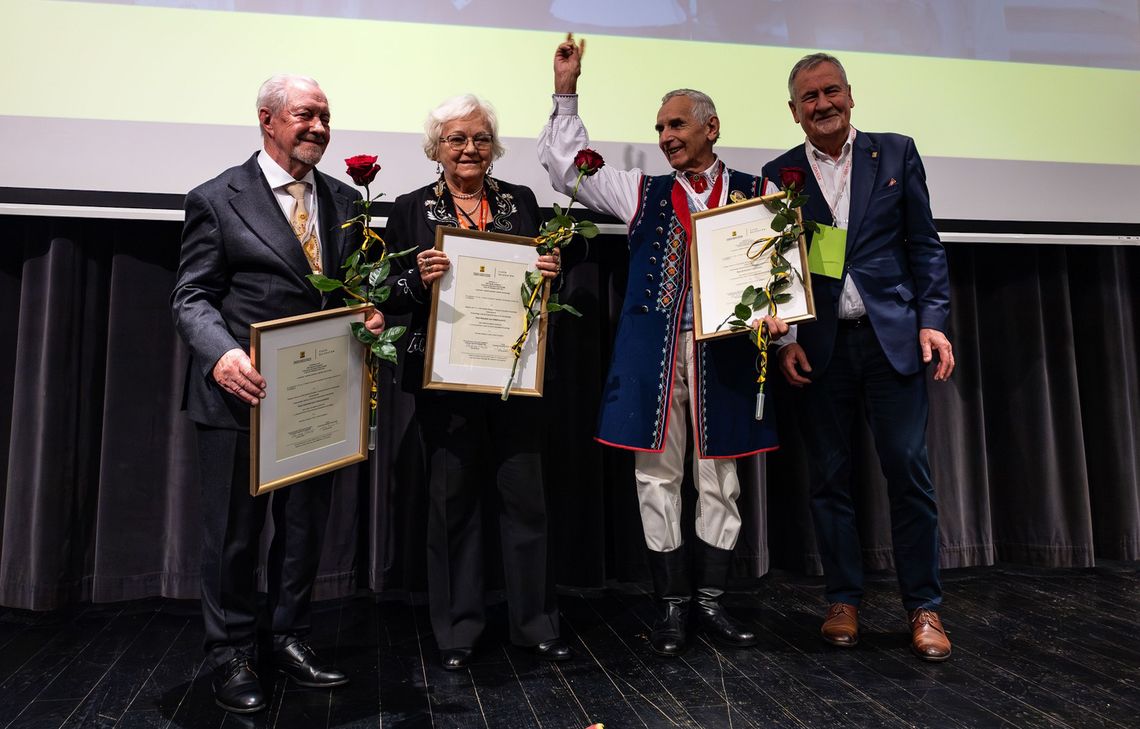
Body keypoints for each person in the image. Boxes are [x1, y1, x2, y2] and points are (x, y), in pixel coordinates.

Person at [538, 35, 788, 657]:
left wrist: (785, 322)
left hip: (724, 355)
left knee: (720, 482)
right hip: (655, 358)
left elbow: (784, 276)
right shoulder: (640, 191)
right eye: (659, 127)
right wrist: (566, 90)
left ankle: (711, 602)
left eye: (677, 124)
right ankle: (672, 607)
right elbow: (568, 168)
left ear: (712, 127)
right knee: (655, 478)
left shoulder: (759, 192)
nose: (666, 136)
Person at [171, 74, 385, 713]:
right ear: (267, 120)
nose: (318, 127)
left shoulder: (347, 202)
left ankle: (290, 636)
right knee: (233, 537)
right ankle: (230, 652)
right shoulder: (218, 198)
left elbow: (351, 291)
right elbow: (191, 297)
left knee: (303, 529)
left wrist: (369, 312)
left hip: (317, 396)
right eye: (304, 116)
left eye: (325, 116)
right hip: (242, 394)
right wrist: (224, 354)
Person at [765, 53, 955, 661]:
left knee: (908, 473)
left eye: (830, 92)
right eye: (808, 98)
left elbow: (925, 245)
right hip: (820, 349)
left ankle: (923, 607)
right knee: (829, 479)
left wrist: (933, 323)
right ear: (793, 112)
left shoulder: (896, 153)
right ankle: (842, 599)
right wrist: (788, 339)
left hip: (891, 340)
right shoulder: (780, 172)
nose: (822, 105)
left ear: (851, 94)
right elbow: (778, 268)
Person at [381, 94, 569, 671]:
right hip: (445, 381)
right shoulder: (412, 208)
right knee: (451, 506)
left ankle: (534, 624)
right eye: (457, 138)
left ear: (495, 147)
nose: (470, 148)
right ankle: (458, 631)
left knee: (525, 504)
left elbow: (540, 284)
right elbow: (386, 294)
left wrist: (550, 270)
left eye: (481, 138)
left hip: (515, 378)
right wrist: (417, 278)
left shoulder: (522, 202)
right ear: (435, 147)